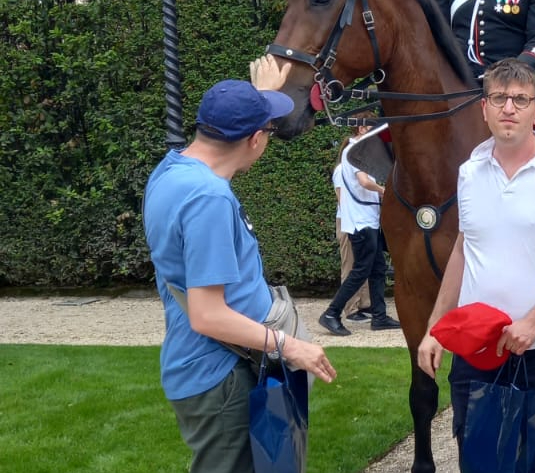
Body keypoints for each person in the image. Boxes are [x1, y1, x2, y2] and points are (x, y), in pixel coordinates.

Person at [144, 73, 336, 472]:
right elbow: (207, 314)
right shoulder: (208, 199)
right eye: (267, 128)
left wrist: (256, 94)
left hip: (213, 370)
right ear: (254, 139)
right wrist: (290, 345)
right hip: (223, 377)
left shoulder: (170, 171)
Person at [415, 58, 535, 473]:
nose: (508, 108)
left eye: (520, 99)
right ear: (484, 108)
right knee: (482, 461)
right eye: (499, 97)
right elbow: (465, 250)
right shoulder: (469, 172)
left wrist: (533, 321)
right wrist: (433, 329)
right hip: (479, 351)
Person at [318, 125, 402, 335]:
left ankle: (379, 317)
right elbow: (364, 182)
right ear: (362, 129)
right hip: (360, 221)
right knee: (361, 270)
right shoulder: (356, 151)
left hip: (366, 219)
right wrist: (385, 191)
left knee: (377, 269)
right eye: (373, 129)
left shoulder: (357, 151)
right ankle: (331, 313)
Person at [332, 129, 370, 322]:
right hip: (347, 220)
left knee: (361, 262)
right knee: (350, 264)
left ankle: (363, 304)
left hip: (355, 219)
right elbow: (341, 198)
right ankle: (350, 308)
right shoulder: (340, 171)